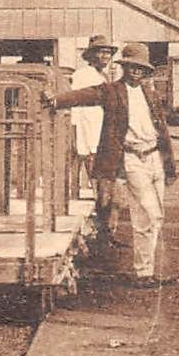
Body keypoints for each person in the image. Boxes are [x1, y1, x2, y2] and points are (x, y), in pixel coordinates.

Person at [48, 42, 177, 289]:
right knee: (147, 214)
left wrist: (168, 162)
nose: (136, 72)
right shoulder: (112, 91)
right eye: (131, 67)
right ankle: (143, 272)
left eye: (140, 68)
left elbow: (162, 129)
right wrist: (56, 101)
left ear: (146, 70)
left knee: (157, 215)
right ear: (124, 67)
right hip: (132, 158)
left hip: (154, 158)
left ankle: (146, 269)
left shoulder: (149, 93)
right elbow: (85, 95)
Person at [71, 35, 119, 240]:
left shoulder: (105, 77)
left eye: (108, 52)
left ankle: (108, 230)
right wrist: (79, 141)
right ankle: (103, 232)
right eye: (100, 52)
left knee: (110, 185)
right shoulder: (83, 75)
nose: (105, 56)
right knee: (100, 186)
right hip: (91, 138)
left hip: (106, 137)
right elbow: (75, 107)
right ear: (90, 55)